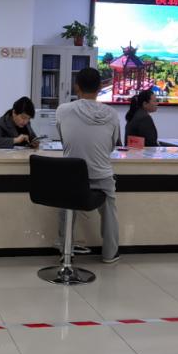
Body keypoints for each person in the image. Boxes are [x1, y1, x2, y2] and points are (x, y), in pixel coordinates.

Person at [55, 67, 121, 263]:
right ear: (100, 87)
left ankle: (66, 250)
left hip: (73, 176)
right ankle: (110, 253)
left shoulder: (63, 110)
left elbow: (64, 140)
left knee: (66, 207)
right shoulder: (112, 114)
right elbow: (112, 145)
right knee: (109, 210)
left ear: (77, 87)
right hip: (102, 175)